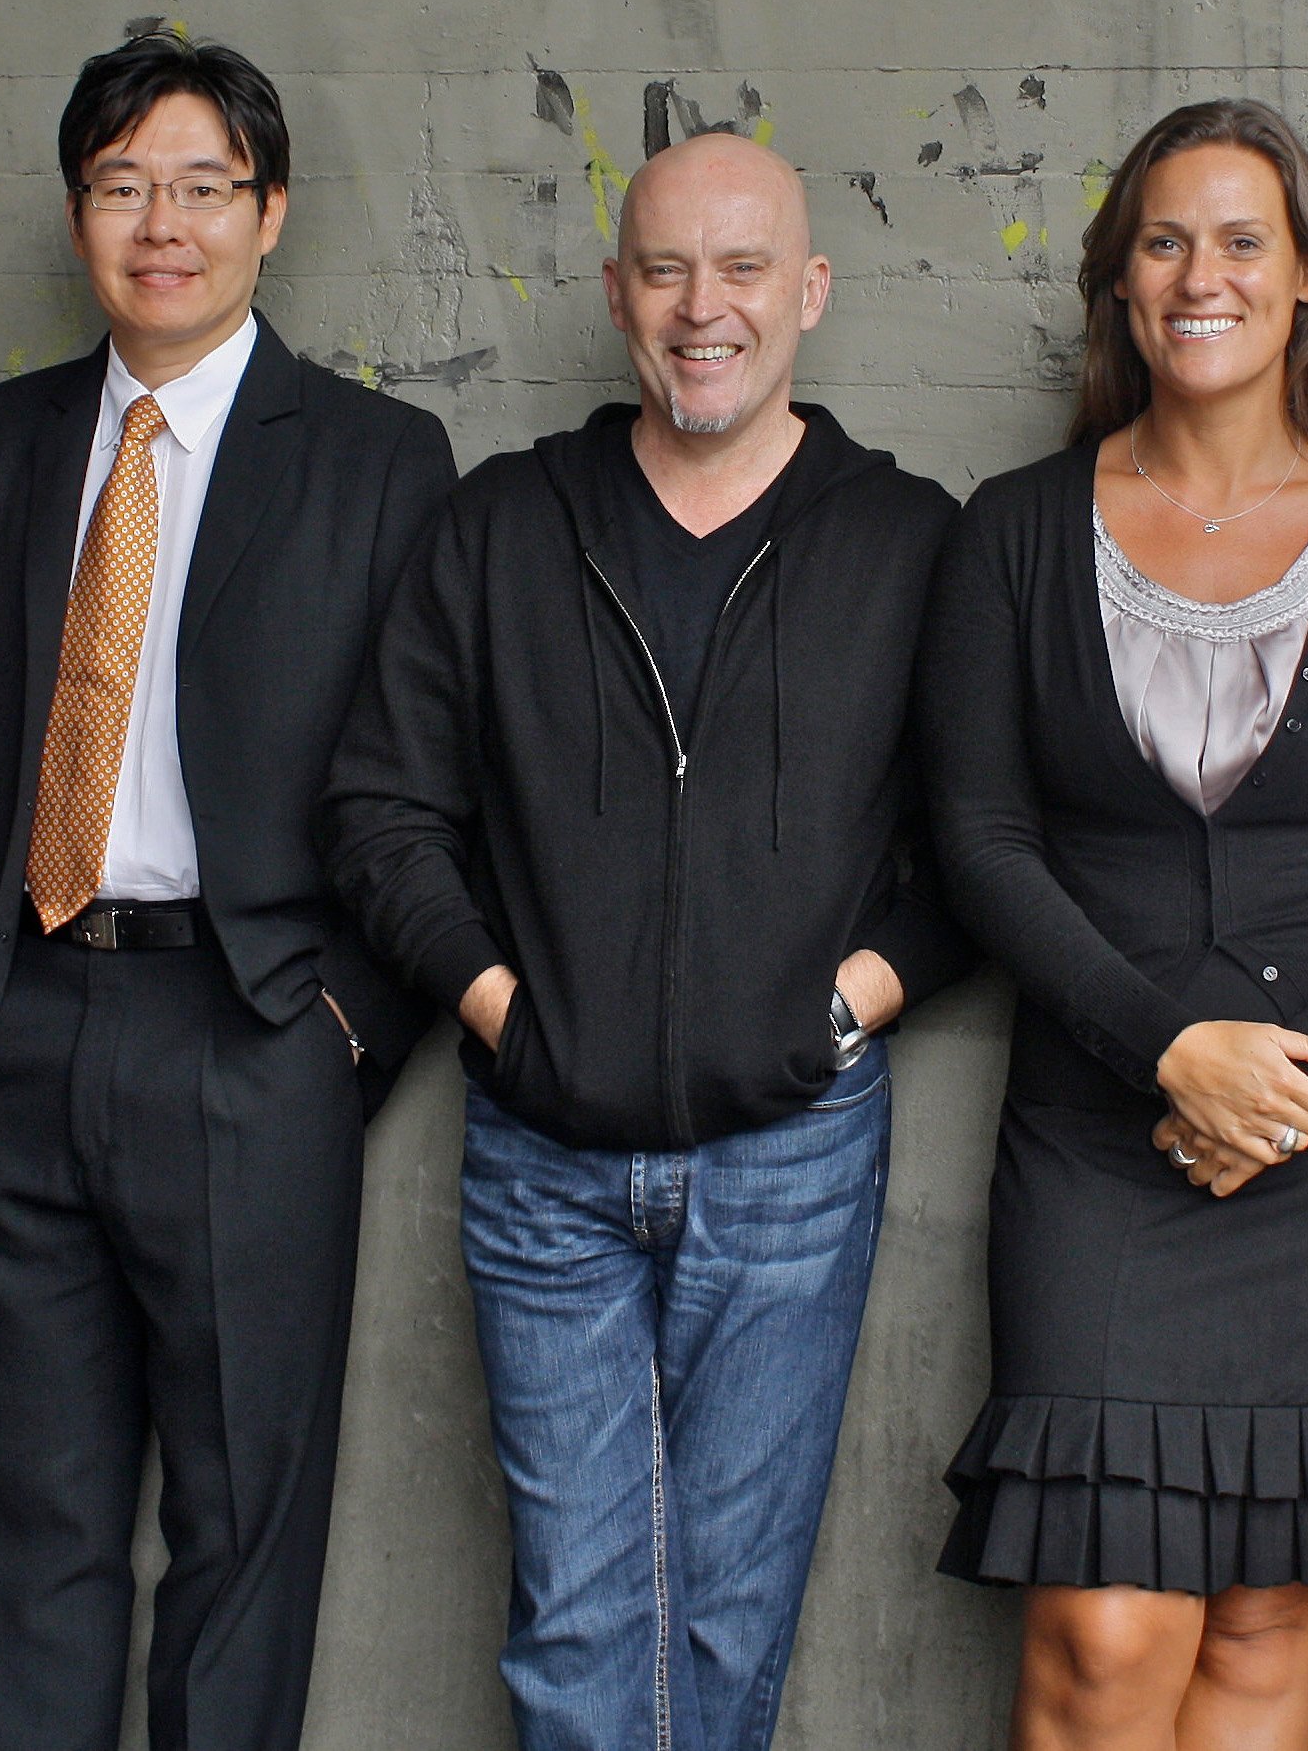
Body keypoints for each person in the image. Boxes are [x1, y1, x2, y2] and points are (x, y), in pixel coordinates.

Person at [326, 132, 971, 1751]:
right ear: (616, 292)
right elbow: (380, 810)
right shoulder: (501, 524)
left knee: (727, 1617)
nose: (703, 308)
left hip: (793, 1155)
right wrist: (503, 1014)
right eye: (666, 270)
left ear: (807, 290)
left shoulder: (905, 539)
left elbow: (981, 838)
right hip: (539, 1162)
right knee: (576, 1620)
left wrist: (837, 1014)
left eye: (741, 268)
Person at [0, 29, 455, 1751]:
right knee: (19, 1538)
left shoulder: (375, 457)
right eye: (122, 186)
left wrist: (338, 1028)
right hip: (8, 1030)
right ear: (76, 215)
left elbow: (434, 781)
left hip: (249, 1028)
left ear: (269, 213)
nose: (162, 224)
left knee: (239, 1531)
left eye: (203, 186)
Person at [923, 98, 1308, 1750]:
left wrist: (1290, 1090)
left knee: (1260, 1623)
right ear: (1118, 278)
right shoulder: (1011, 531)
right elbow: (977, 838)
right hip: (1102, 1134)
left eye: (1240, 240)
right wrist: (1166, 1049)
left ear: (1307, 278)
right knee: (1104, 1632)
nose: (1198, 275)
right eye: (1162, 241)